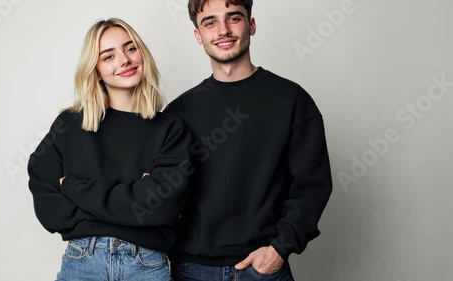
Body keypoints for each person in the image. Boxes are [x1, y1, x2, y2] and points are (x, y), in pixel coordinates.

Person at [164, 1, 333, 280]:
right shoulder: (178, 113)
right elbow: (163, 194)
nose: (223, 30)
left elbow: (312, 187)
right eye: (210, 22)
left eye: (234, 18)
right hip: (190, 269)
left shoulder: (291, 100)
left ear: (251, 25)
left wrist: (280, 249)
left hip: (263, 268)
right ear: (198, 36)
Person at [27, 18, 192, 281]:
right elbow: (47, 203)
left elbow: (159, 205)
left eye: (131, 48)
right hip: (83, 261)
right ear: (95, 70)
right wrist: (134, 195)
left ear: (142, 55)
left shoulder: (171, 129)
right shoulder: (69, 124)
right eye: (108, 56)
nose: (124, 60)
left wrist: (73, 188)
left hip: (146, 264)